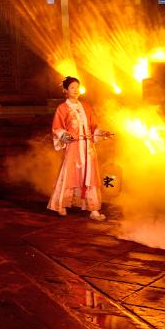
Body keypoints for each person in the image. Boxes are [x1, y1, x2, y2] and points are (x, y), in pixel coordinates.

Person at [47, 76, 110, 221]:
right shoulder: (62, 108)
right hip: (73, 146)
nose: (76, 90)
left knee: (90, 176)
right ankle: (61, 204)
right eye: (72, 88)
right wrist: (64, 135)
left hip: (88, 147)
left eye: (77, 87)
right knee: (69, 174)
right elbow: (57, 128)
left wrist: (101, 133)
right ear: (66, 90)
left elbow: (94, 127)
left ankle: (94, 209)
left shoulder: (86, 107)